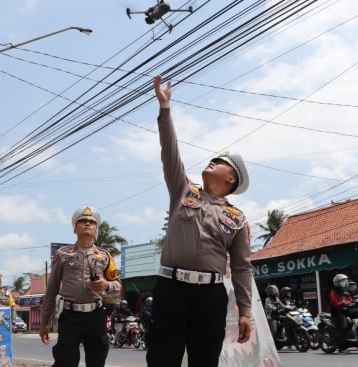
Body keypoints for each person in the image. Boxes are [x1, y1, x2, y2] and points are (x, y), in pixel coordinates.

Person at [147, 75, 253, 367]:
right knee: (161, 360)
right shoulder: (183, 190)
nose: (212, 161)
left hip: (210, 296)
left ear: (230, 179)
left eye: (220, 162)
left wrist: (246, 312)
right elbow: (170, 152)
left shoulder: (236, 218)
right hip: (171, 289)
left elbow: (242, 267)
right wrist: (165, 110)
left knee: (204, 361)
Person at [39, 206, 122, 367]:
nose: (87, 224)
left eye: (91, 222)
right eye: (82, 221)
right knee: (66, 360)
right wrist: (44, 323)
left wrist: (106, 285)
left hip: (96, 315)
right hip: (70, 315)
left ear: (96, 230)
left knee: (97, 358)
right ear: (75, 229)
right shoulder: (63, 254)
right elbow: (52, 289)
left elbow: (118, 285)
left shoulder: (105, 256)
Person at [329, 273, 354, 354]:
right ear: (337, 282)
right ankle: (342, 348)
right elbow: (336, 304)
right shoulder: (333, 292)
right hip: (337, 313)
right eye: (342, 281)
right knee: (343, 326)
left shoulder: (346, 292)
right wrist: (344, 303)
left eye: (345, 280)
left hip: (345, 311)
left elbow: (350, 300)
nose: (345, 282)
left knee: (353, 321)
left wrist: (350, 303)